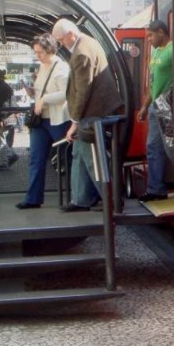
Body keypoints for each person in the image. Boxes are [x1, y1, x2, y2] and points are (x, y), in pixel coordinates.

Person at [51, 18, 123, 212]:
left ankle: (112, 201)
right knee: (79, 154)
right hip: (96, 110)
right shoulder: (88, 43)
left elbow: (84, 90)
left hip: (92, 112)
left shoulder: (81, 52)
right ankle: (80, 199)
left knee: (93, 160)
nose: (60, 44)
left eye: (60, 40)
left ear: (70, 35)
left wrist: (74, 122)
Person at [16, 34, 71, 210]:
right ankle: (33, 198)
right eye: (36, 52)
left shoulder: (61, 68)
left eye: (40, 52)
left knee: (68, 158)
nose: (37, 55)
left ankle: (80, 195)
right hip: (41, 121)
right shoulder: (43, 66)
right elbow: (43, 91)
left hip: (58, 120)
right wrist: (34, 92)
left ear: (49, 50)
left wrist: (44, 98)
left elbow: (66, 93)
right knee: (36, 159)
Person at [136, 20, 174, 202]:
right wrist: (145, 106)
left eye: (150, 35)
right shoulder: (157, 52)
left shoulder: (173, 50)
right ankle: (156, 189)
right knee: (154, 148)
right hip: (155, 106)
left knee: (171, 148)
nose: (149, 39)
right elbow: (153, 84)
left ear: (161, 32)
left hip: (167, 106)